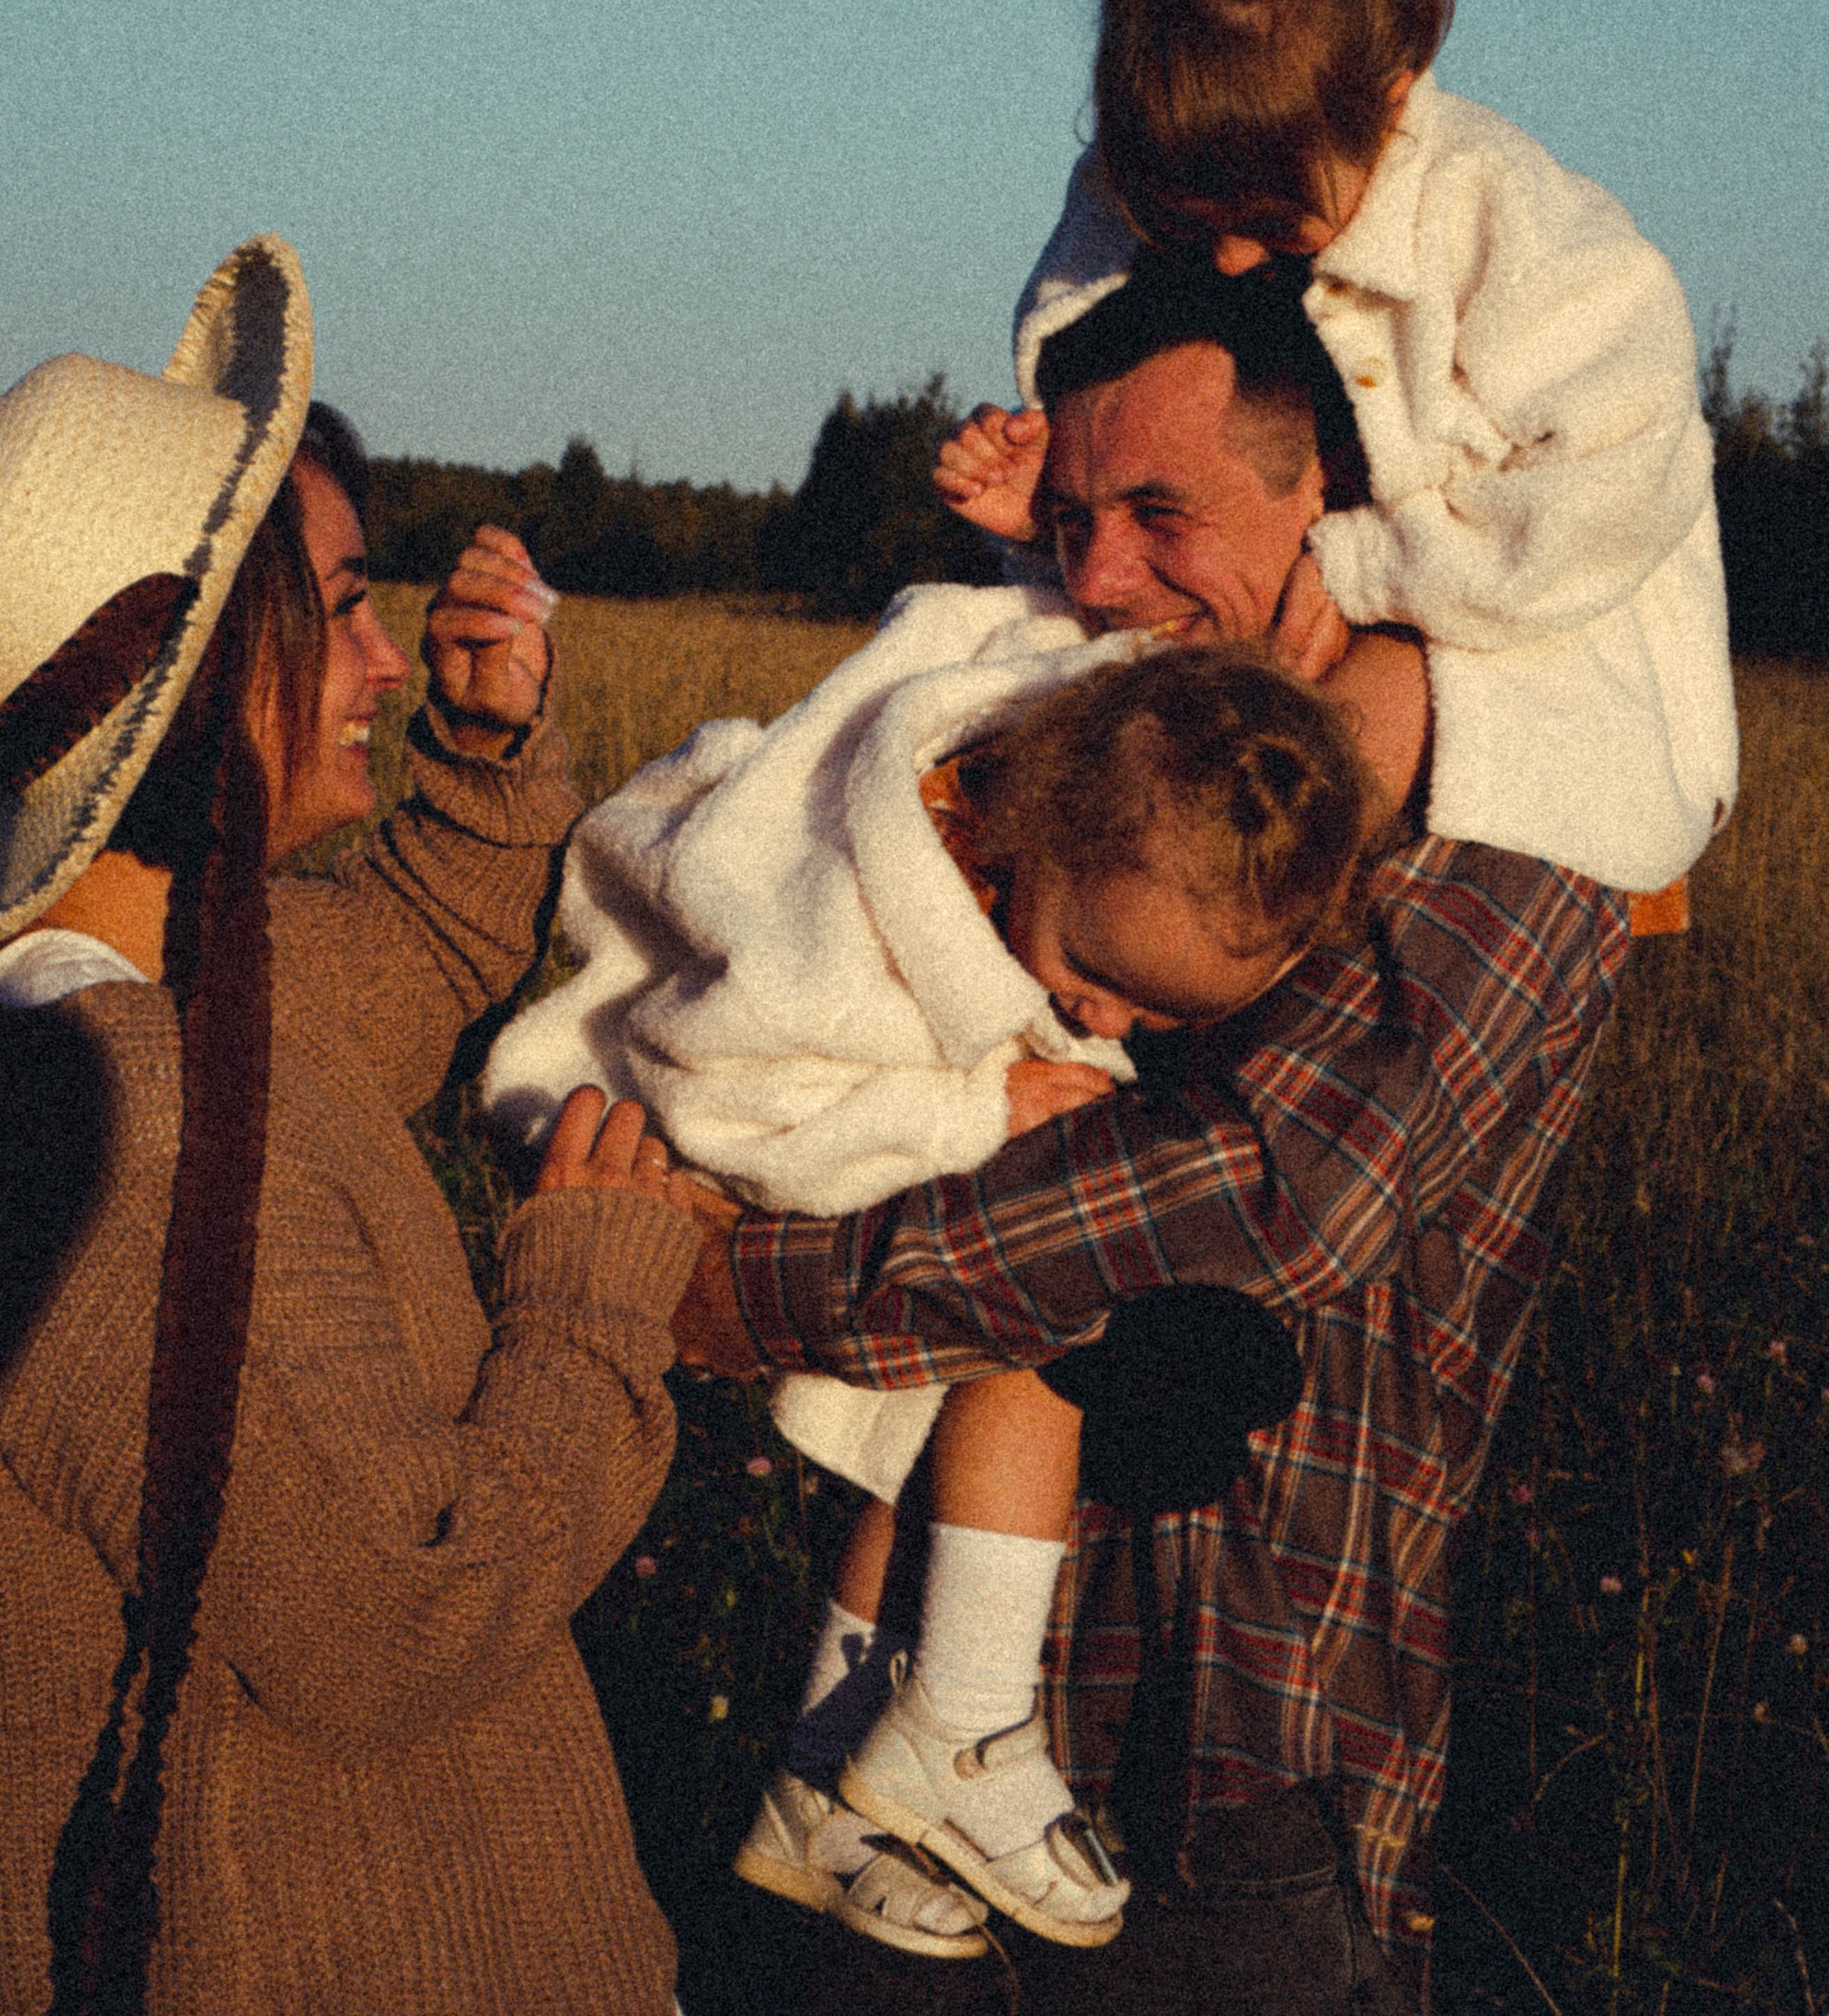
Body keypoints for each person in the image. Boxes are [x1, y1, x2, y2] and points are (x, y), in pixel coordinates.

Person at [666, 263, 1638, 2014]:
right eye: (1068, 519)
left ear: (1325, 499)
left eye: (1159, 512)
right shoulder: (1072, 745)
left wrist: (737, 1286)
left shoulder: (1501, 827)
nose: (1099, 576)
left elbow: (1255, 1200)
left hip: (1242, 1766)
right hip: (916, 1722)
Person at [0, 238, 699, 2016]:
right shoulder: (123, 1126)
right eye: (346, 608)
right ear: (214, 668)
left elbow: (411, 951)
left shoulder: (178, 987)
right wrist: (594, 1306)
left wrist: (485, 749)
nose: (387, 661)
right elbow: (391, 1611)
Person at [487, 639, 1383, 1957]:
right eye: (1097, 973)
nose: (1108, 1021)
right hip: (655, 1134)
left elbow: (1035, 620)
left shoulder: (1083, 798)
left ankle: (823, 1780)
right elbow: (719, 1095)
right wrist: (973, 1107)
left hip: (824, 1130)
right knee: (1030, 1310)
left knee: (938, 1418)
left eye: (1155, 1013)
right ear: (1038, 828)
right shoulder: (839, 937)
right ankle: (957, 1719)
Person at [940, 0, 1736, 904]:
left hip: (1539, 627)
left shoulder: (1519, 231)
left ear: (1393, 105)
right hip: (1270, 627)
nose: (1224, 263)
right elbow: (1136, 408)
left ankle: (1213, 914)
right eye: (1184, 224)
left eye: (1270, 226)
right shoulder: (1161, 188)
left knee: (1359, 719)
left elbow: (1613, 490)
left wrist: (1369, 567)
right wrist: (1055, 503)